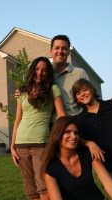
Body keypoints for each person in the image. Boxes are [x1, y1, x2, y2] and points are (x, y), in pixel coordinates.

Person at [16, 34, 112, 116]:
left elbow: (91, 99)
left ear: (68, 52)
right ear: (51, 51)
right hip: (52, 127)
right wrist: (21, 91)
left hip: (77, 124)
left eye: (64, 48)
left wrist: (111, 106)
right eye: (57, 48)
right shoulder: (45, 74)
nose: (60, 51)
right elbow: (33, 89)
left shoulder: (79, 73)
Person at [11, 56, 66, 200]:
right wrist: (12, 146)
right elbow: (17, 120)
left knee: (44, 188)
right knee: (31, 190)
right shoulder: (22, 93)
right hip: (21, 145)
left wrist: (59, 141)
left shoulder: (53, 89)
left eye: (44, 70)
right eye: (37, 69)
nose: (39, 73)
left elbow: (61, 116)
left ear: (48, 73)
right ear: (32, 70)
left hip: (41, 145)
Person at [42, 116, 112, 200]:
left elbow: (109, 185)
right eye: (67, 132)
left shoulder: (87, 154)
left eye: (76, 133)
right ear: (58, 135)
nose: (73, 136)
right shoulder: (51, 167)